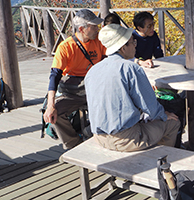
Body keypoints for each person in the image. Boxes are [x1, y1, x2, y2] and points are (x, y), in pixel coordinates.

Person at [84, 24, 180, 152]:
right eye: (132, 42)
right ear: (123, 48)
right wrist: (164, 114)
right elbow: (150, 105)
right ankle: (163, 163)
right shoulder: (130, 68)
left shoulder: (92, 70)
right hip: (126, 139)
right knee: (173, 123)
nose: (135, 45)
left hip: (99, 136)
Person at [43, 9, 106, 149]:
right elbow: (54, 76)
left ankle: (92, 134)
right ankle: (73, 144)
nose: (97, 29)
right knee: (56, 113)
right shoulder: (65, 47)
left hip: (97, 89)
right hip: (74, 91)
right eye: (94, 26)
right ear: (82, 29)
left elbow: (115, 57)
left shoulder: (99, 41)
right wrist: (50, 105)